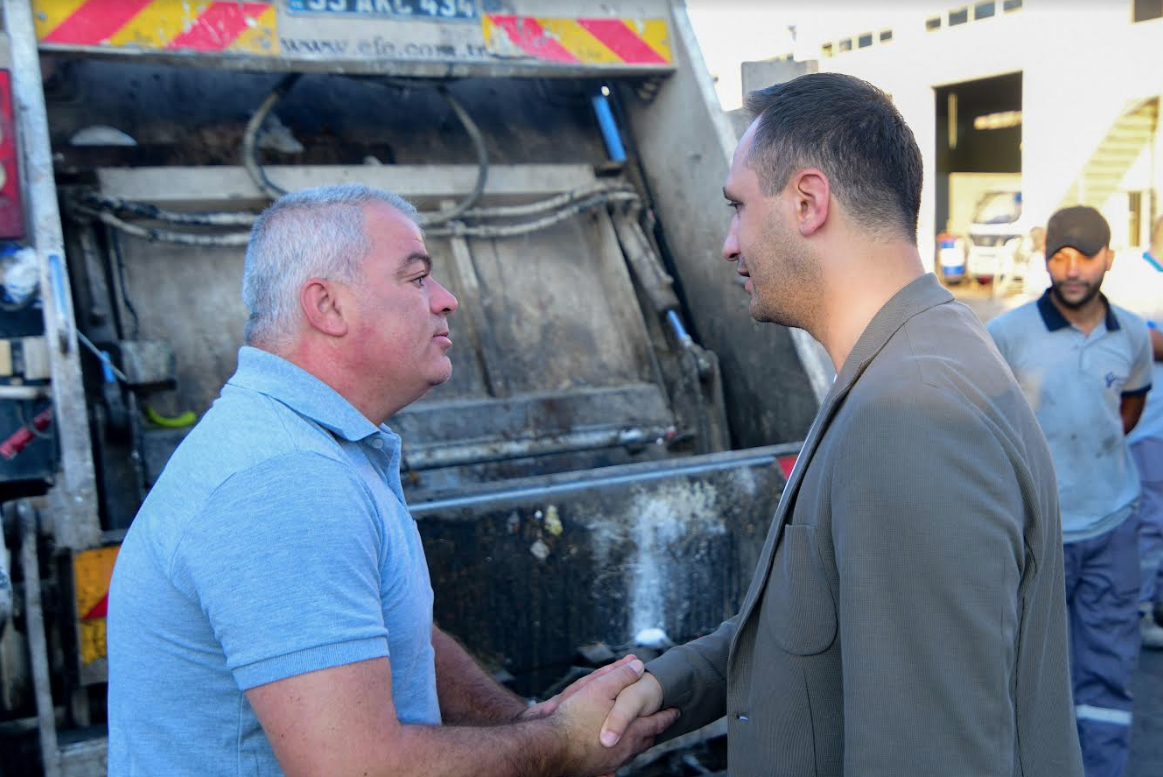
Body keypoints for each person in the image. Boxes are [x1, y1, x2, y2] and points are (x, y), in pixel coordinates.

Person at [598, 73, 1083, 776]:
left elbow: (931, 757)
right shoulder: (908, 362)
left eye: (737, 208)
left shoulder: (910, 412)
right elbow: (820, 625)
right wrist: (668, 683)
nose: (729, 244)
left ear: (806, 201)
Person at [106, 185, 676, 776]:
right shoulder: (283, 481)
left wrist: (521, 725)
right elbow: (356, 768)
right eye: (416, 278)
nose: (446, 299)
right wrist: (559, 748)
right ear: (327, 307)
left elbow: (390, 634)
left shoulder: (313, 445)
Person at [986, 205, 1153, 777]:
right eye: (1061, 256)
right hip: (1036, 533)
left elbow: (1127, 410)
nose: (1073, 269)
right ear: (1045, 259)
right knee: (1026, 669)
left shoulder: (1131, 333)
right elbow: (984, 424)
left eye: (1086, 256)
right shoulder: (1004, 335)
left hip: (1112, 527)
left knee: (1106, 674)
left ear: (1108, 257)